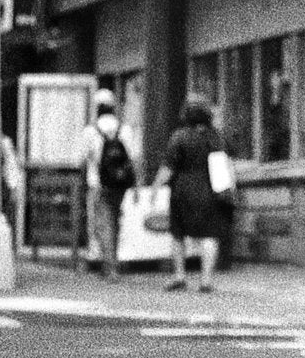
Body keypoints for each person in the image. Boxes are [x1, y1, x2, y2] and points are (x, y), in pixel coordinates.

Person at [155, 93, 228, 293]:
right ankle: (206, 280)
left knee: (178, 233)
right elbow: (224, 164)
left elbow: (168, 167)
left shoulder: (179, 136)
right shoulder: (216, 137)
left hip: (182, 189)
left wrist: (155, 186)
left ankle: (179, 276)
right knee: (210, 235)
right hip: (210, 189)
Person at [77, 88, 138, 279]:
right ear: (113, 107)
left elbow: (81, 159)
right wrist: (135, 186)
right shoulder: (125, 129)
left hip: (98, 184)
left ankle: (110, 267)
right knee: (115, 222)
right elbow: (134, 159)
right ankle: (113, 262)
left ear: (97, 108)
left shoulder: (90, 131)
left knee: (102, 225)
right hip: (122, 185)